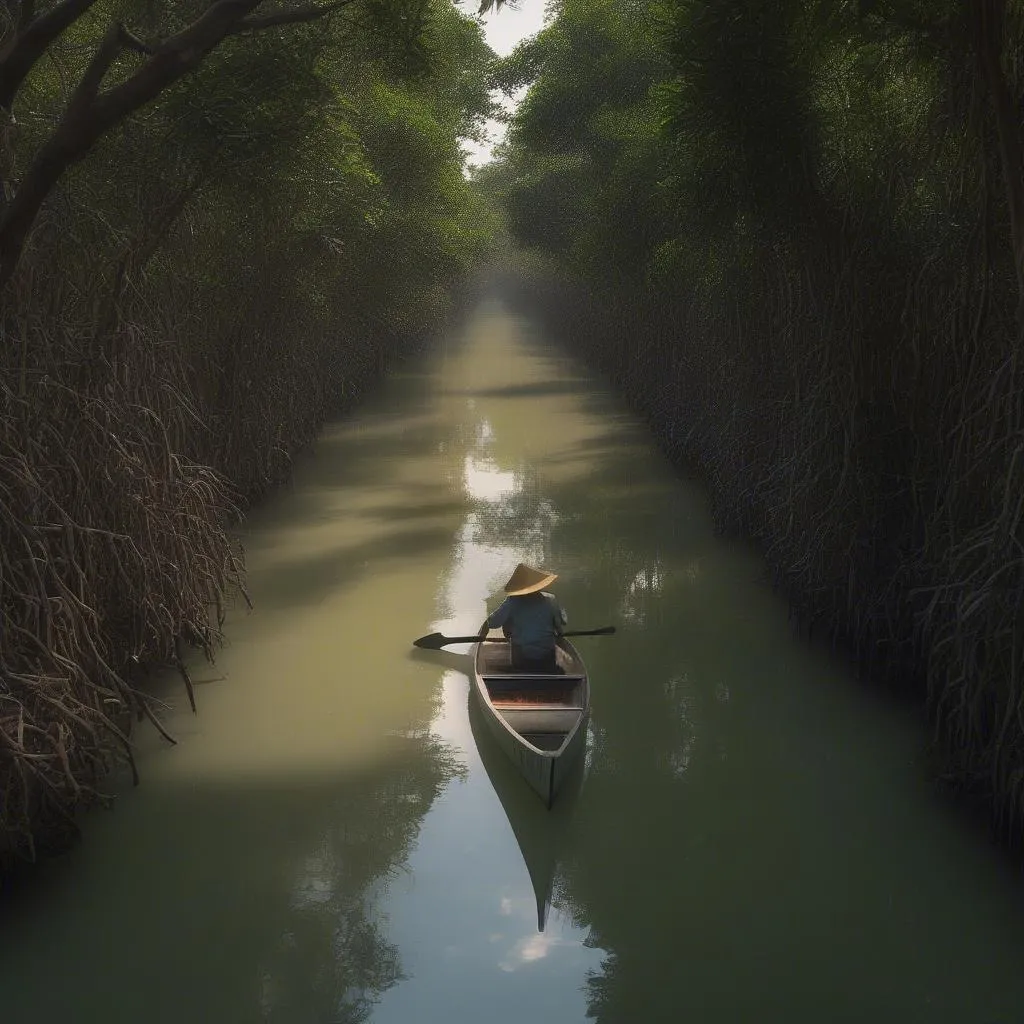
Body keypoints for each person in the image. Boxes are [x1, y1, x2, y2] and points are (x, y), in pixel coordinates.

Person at [479, 563, 568, 673]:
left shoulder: (512, 602)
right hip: (547, 658)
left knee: (508, 621)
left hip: (522, 660)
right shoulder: (551, 600)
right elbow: (562, 623)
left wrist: (482, 634)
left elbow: (492, 623)